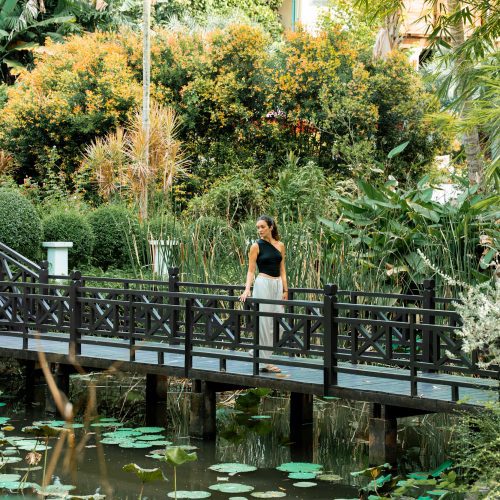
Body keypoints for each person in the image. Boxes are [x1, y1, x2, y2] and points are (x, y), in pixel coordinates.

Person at [239, 215, 288, 373]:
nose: (259, 230)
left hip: (277, 284)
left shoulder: (280, 245)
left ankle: (257, 352)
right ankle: (264, 361)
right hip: (263, 284)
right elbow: (251, 270)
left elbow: (283, 270)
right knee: (264, 323)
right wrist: (247, 288)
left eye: (262, 227)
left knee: (279, 324)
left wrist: (285, 290)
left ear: (271, 227)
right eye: (258, 227)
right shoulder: (255, 246)